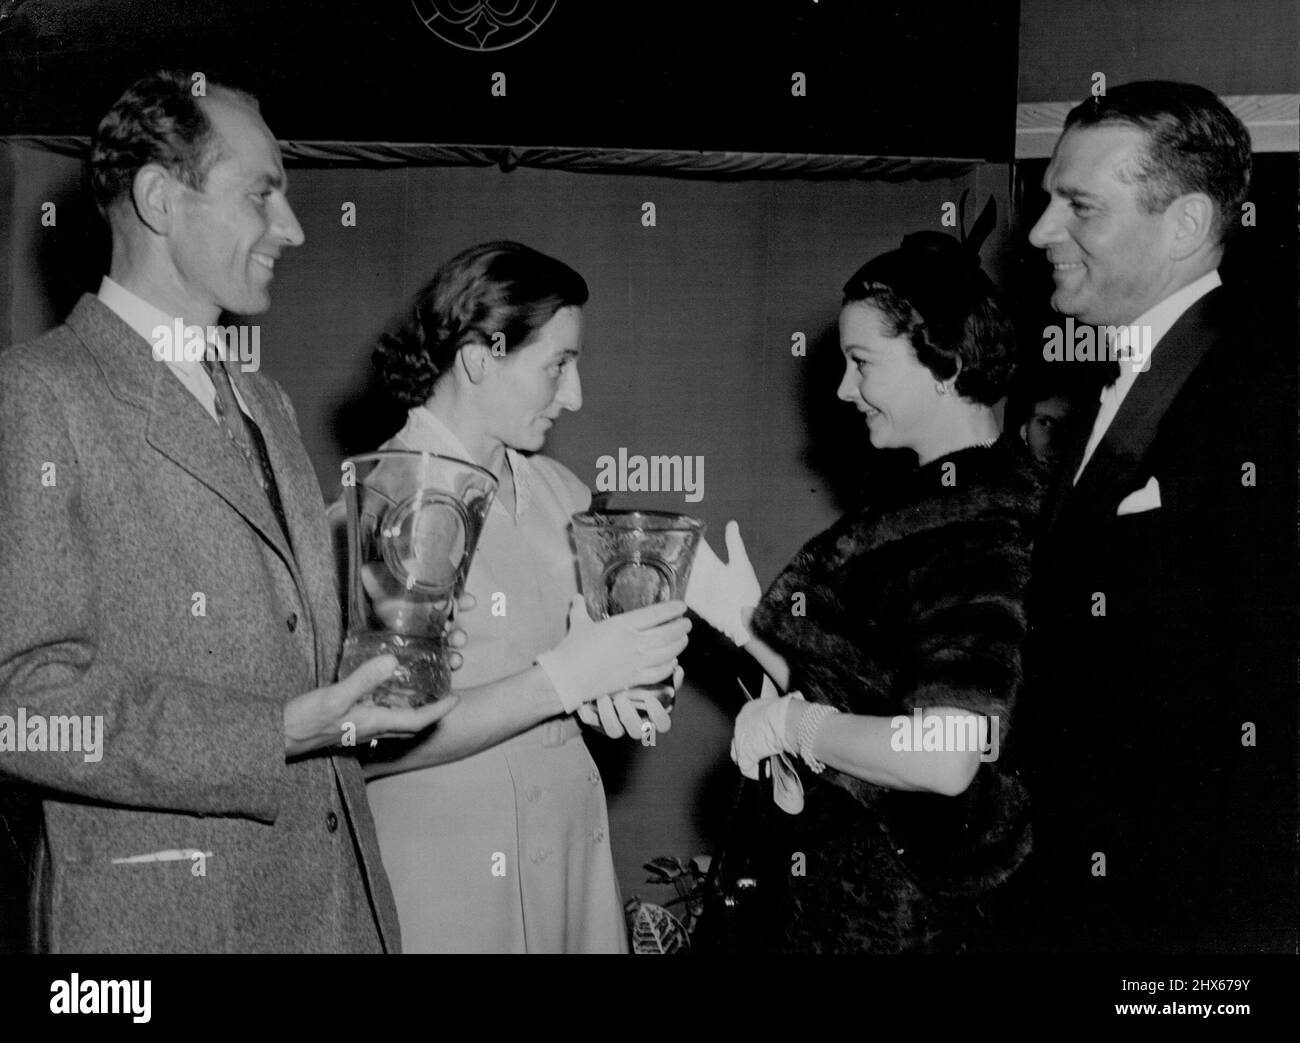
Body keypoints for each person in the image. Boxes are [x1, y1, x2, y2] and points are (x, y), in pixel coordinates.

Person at [0, 71, 458, 953]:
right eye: (263, 193)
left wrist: (384, 655)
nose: (291, 227)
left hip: (334, 911)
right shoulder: (37, 395)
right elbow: (23, 703)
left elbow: (284, 653)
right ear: (161, 198)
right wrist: (278, 732)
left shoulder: (264, 401)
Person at [688, 232, 1045, 953]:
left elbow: (945, 755)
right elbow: (872, 693)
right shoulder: (937, 503)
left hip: (898, 918)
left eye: (862, 364)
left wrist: (795, 727)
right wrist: (746, 628)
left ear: (945, 361)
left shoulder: (976, 526)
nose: (845, 390)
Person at [1015, 80, 1296, 954]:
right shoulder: (1127, 379)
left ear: (1183, 225)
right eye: (1046, 200)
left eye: (1079, 207)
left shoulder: (1259, 393)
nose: (1038, 233)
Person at [354, 241, 691, 953]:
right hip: (450, 877)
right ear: (479, 358)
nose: (574, 396)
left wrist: (622, 684)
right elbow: (372, 744)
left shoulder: (562, 494)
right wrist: (567, 678)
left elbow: (580, 670)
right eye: (557, 365)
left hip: (568, 858)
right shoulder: (388, 498)